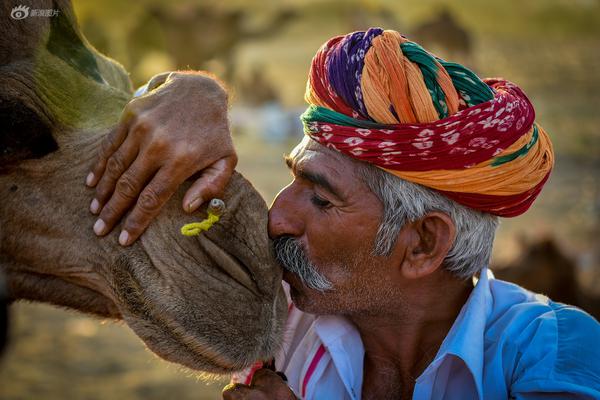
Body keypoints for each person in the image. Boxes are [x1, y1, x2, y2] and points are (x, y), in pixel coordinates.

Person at [85, 29, 600, 399]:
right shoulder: (283, 318)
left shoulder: (550, 354)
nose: (277, 216)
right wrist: (193, 93)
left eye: (321, 197)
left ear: (422, 243)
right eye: (293, 179)